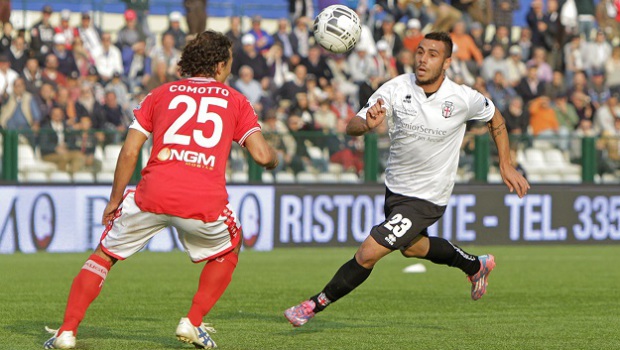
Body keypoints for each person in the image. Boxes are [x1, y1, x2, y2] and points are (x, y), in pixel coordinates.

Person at [44, 30, 279, 349]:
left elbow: (129, 152)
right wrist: (275, 156)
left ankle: (67, 332)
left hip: (151, 193)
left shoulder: (160, 93)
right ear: (221, 66)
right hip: (202, 201)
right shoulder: (236, 100)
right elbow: (263, 157)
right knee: (230, 246)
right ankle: (192, 322)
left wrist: (115, 200)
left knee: (105, 255)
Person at [284, 32, 530, 327]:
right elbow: (352, 125)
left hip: (428, 197)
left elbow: (495, 118)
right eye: (420, 52)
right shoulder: (396, 87)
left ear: (447, 62)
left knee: (368, 252)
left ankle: (313, 305)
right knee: (412, 248)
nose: (423, 59)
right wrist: (366, 124)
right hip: (396, 190)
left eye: (433, 54)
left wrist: (506, 163)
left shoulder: (462, 98)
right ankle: (475, 265)